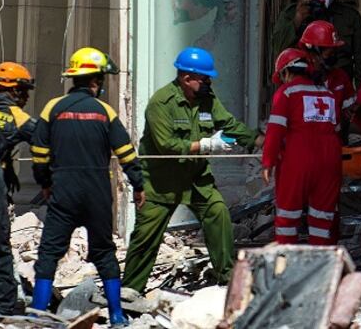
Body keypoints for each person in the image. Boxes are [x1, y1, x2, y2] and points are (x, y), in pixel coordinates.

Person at [123, 48, 260, 292]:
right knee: (146, 237)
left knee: (218, 214)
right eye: (205, 79)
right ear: (187, 79)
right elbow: (167, 146)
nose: (209, 83)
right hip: (161, 182)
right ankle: (130, 292)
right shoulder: (161, 103)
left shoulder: (207, 98)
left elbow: (228, 124)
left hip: (197, 179)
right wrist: (206, 144)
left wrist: (259, 141)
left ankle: (227, 282)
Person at [30, 47, 144, 326]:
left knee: (49, 253)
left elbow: (38, 152)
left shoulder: (52, 108)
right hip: (97, 193)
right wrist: (138, 185)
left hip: (63, 191)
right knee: (104, 252)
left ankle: (36, 314)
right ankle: (117, 315)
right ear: (95, 81)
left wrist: (45, 182)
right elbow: (127, 153)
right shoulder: (105, 112)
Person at [0, 62, 38, 315]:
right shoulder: (15, 115)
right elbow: (42, 138)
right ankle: (5, 301)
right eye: (23, 90)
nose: (25, 97)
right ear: (12, 90)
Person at [262, 48, 342, 245]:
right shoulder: (328, 94)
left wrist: (268, 162)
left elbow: (275, 131)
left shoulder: (286, 92)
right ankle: (320, 267)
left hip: (297, 160)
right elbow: (336, 127)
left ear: (286, 72)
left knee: (287, 218)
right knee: (322, 220)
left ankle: (287, 267)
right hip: (330, 161)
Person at [271, 0, 361, 84]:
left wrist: (360, 98)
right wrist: (297, 21)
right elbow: (278, 47)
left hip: (339, 86)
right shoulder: (292, 13)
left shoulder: (350, 16)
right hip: (304, 86)